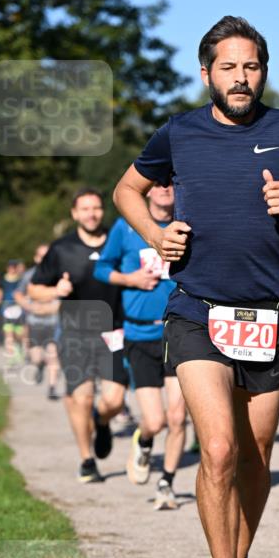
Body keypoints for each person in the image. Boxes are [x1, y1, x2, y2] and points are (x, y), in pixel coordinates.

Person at [113, 15, 279, 558]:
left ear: (262, 72)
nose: (241, 78)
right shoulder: (180, 133)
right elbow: (126, 189)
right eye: (229, 67)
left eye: (251, 67)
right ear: (206, 73)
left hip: (269, 316)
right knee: (216, 450)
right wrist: (155, 235)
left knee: (255, 459)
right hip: (196, 310)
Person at [94, 184, 186, 510]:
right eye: (156, 183)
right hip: (140, 334)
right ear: (146, 192)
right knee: (156, 420)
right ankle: (144, 440)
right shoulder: (127, 226)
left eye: (170, 182)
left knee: (178, 417)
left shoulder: (188, 221)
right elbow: (101, 268)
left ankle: (167, 483)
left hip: (179, 332)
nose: (164, 188)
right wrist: (130, 279)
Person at [28, 189, 128, 483]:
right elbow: (34, 288)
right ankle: (87, 460)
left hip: (113, 330)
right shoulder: (60, 249)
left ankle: (102, 421)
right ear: (74, 214)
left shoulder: (117, 241)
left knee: (115, 400)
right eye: (84, 209)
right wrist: (55, 290)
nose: (91, 213)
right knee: (80, 398)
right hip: (75, 332)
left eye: (96, 208)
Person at [14, 244, 60, 400]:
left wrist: (55, 307)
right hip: (35, 322)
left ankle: (52, 388)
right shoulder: (29, 275)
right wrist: (30, 306)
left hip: (54, 321)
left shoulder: (59, 274)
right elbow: (18, 295)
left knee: (53, 355)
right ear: (36, 258)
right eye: (41, 256)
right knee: (37, 357)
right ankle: (39, 365)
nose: (44, 259)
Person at [0, 259, 27, 364]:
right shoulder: (2, 280)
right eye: (10, 267)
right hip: (7, 309)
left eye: (14, 267)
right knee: (9, 333)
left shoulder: (21, 279)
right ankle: (11, 356)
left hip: (18, 308)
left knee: (19, 334)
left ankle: (18, 348)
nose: (12, 269)